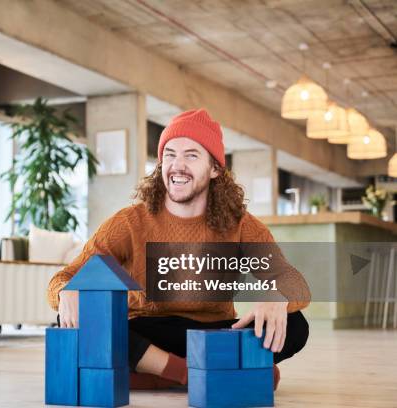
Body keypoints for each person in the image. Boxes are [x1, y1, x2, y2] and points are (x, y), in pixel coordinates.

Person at [47, 108, 310, 390]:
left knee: (297, 323)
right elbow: (63, 278)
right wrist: (68, 291)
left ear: (215, 169)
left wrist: (277, 296)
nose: (177, 165)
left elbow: (295, 282)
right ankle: (195, 373)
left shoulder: (242, 225)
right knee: (75, 317)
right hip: (145, 331)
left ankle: (153, 373)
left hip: (210, 334)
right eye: (170, 155)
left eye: (191, 155)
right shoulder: (128, 222)